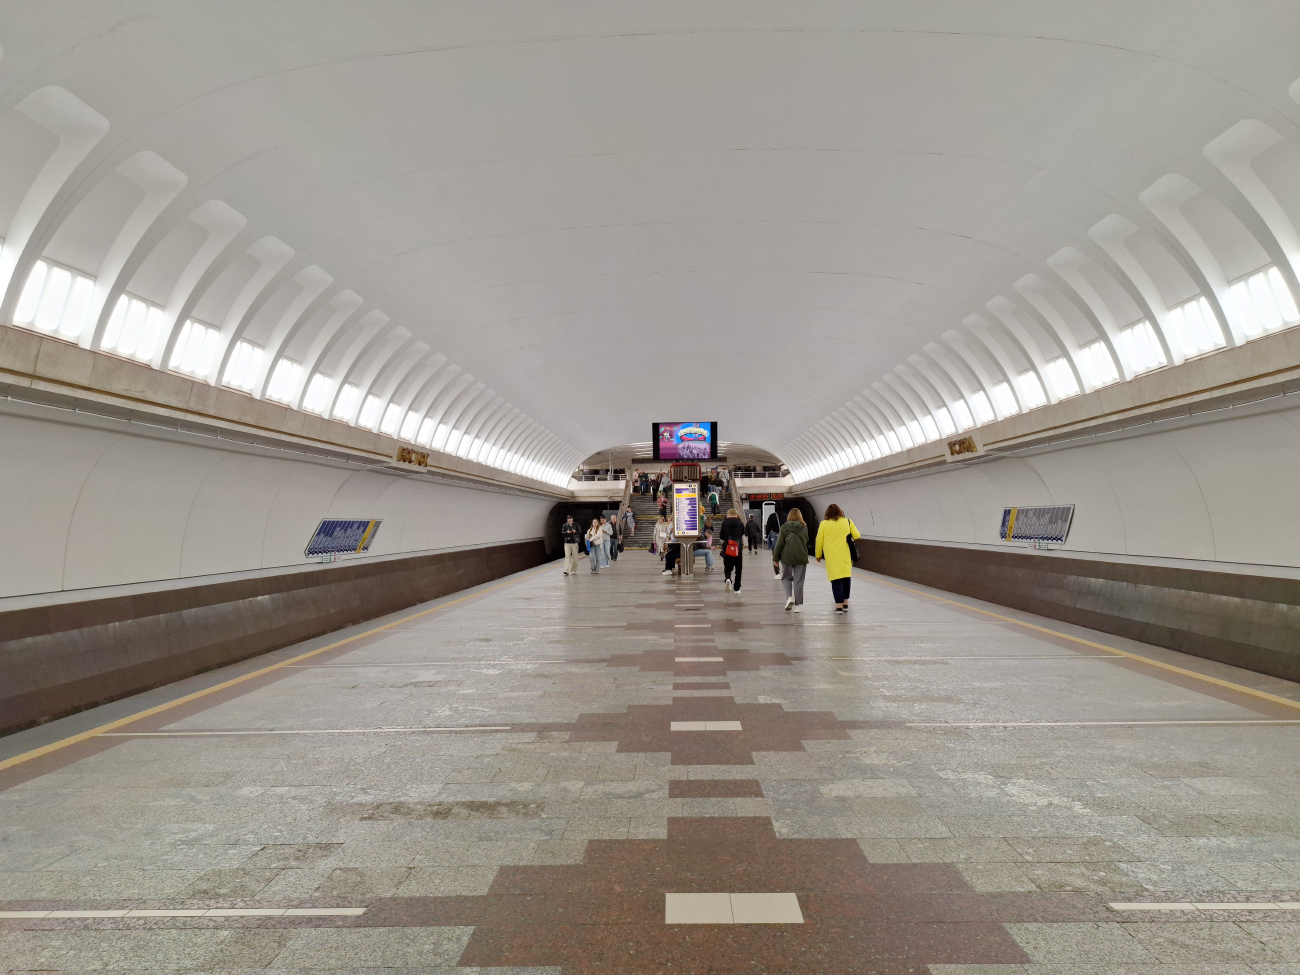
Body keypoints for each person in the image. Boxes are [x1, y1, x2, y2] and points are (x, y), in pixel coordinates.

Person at [815, 503, 861, 614]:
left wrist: (818, 555)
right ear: (840, 512)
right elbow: (857, 535)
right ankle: (845, 602)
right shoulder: (847, 522)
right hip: (845, 555)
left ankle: (839, 606)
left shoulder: (824, 524)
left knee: (836, 580)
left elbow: (819, 540)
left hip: (832, 557)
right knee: (846, 579)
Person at [772, 508, 809, 612]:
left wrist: (775, 558)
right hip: (801, 557)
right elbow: (807, 540)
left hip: (787, 557)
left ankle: (789, 598)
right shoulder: (804, 527)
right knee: (799, 581)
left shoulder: (784, 527)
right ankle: (797, 606)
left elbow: (779, 544)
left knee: (786, 578)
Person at [718, 507, 745, 593]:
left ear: (728, 514)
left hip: (727, 548)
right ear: (736, 514)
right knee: (738, 568)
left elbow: (721, 536)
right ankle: (737, 588)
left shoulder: (725, 522)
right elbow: (742, 533)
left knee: (727, 567)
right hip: (738, 548)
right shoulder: (740, 522)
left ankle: (728, 579)